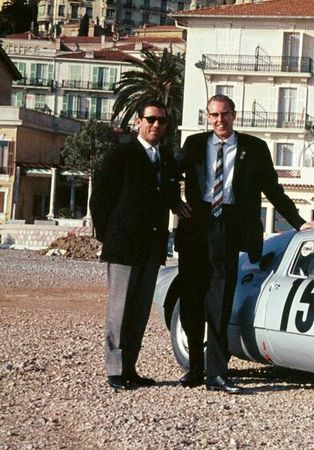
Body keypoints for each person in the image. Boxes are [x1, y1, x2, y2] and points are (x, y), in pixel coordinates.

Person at [175, 94, 314, 394]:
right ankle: (195, 367)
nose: (220, 120)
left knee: (220, 302)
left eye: (226, 114)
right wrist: (173, 202)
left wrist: (299, 222)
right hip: (195, 228)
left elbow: (273, 189)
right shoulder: (193, 145)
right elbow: (166, 175)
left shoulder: (254, 149)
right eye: (214, 115)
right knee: (192, 301)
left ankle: (217, 373)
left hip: (229, 229)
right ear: (208, 116)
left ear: (234, 115)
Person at [90, 99, 179, 390]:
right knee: (119, 310)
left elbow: (166, 194)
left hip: (151, 249)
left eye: (161, 121)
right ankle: (114, 370)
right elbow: (100, 199)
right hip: (123, 247)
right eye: (151, 119)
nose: (156, 125)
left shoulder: (164, 157)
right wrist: (110, 236)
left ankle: (130, 368)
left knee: (139, 311)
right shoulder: (122, 153)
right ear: (139, 121)